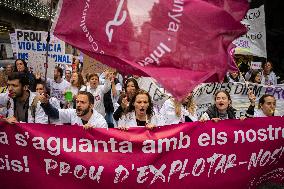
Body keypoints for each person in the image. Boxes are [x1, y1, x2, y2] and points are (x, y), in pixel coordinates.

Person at [39, 91, 107, 128]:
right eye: (77, 102)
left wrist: (94, 133)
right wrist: (45, 103)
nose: (78, 105)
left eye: (82, 102)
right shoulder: (73, 112)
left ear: (91, 106)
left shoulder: (100, 122)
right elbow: (54, 114)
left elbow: (104, 145)